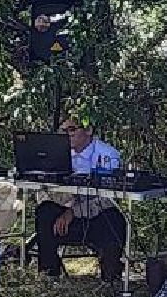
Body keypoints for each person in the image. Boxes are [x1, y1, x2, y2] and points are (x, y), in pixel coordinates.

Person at [31, 113, 128, 284]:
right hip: (63, 217)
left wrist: (73, 212)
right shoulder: (56, 153)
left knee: (114, 219)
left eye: (72, 130)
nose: (67, 135)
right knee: (45, 212)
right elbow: (43, 191)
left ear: (88, 130)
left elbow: (107, 197)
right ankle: (48, 275)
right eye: (63, 131)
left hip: (96, 215)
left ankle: (111, 278)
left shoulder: (107, 155)